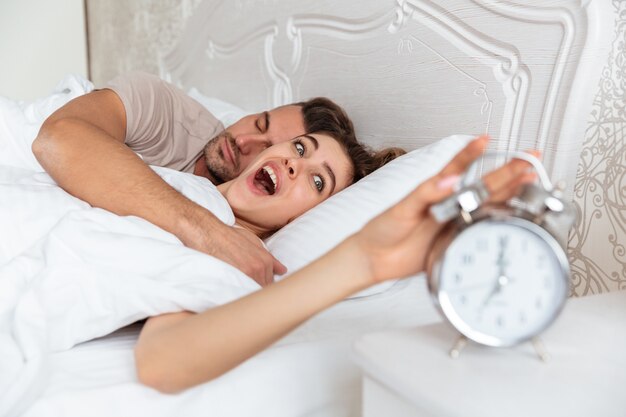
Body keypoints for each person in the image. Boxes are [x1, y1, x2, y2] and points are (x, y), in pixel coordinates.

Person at [134, 135, 539, 393]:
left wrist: (362, 261)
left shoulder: (231, 246)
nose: (296, 163)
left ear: (297, 222)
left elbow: (164, 359)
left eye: (316, 182)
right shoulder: (177, 187)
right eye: (299, 148)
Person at [32, 72, 358, 285]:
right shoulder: (164, 112)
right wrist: (204, 231)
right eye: (259, 125)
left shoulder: (245, 229)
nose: (244, 143)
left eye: (269, 147)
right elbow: (57, 138)